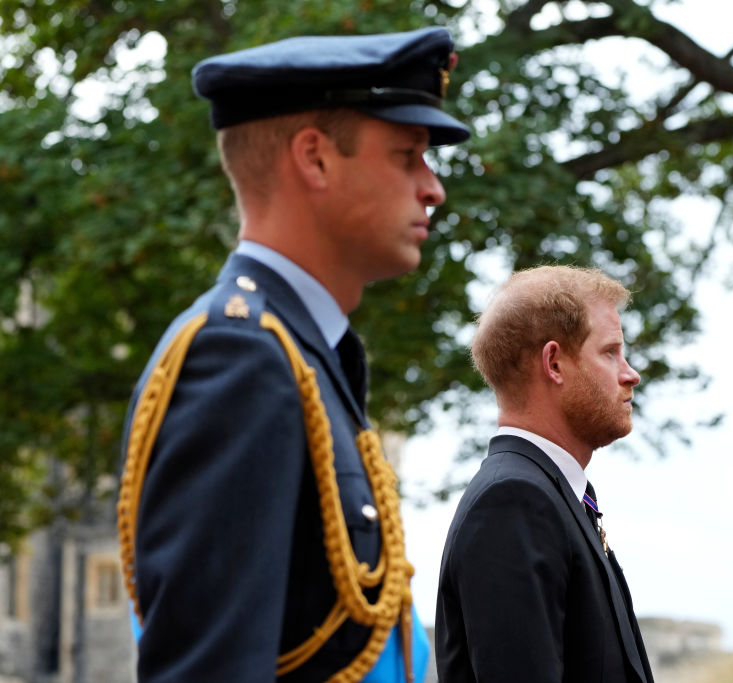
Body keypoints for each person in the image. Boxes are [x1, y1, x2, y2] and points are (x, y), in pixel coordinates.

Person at [116, 27, 470, 682]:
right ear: (315, 159)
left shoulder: (305, 351)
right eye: (407, 154)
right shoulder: (238, 355)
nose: (432, 187)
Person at [435, 265, 655, 683]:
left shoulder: (551, 495)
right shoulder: (515, 501)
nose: (630, 374)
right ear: (554, 363)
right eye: (610, 352)